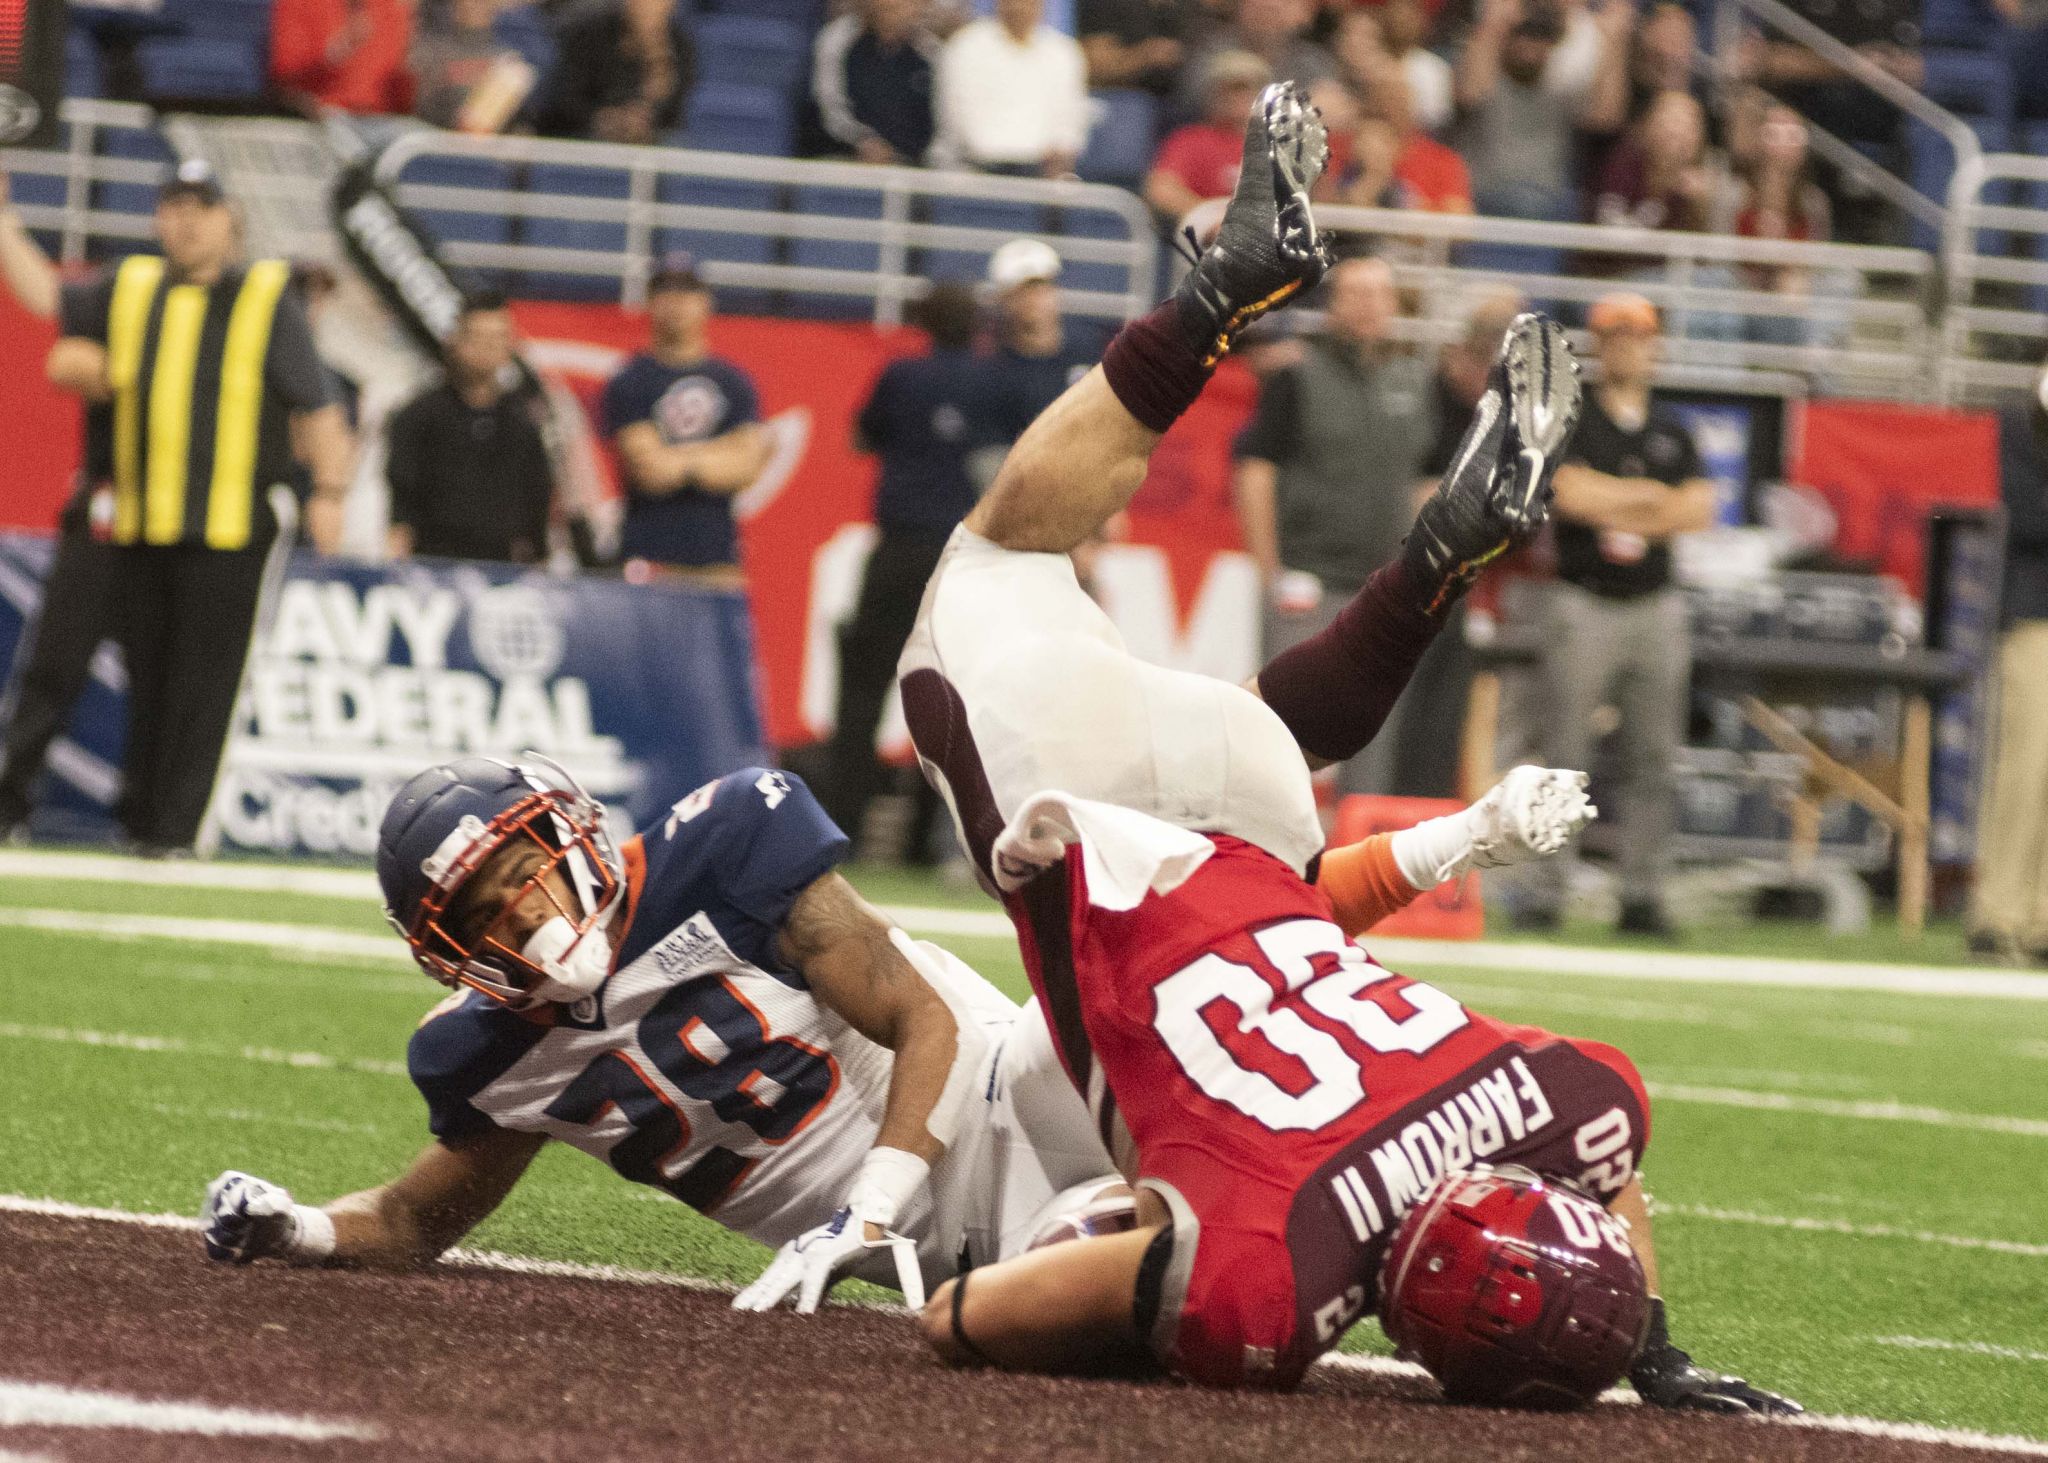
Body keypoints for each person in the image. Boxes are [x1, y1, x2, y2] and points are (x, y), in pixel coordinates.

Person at [887, 82, 1789, 1414]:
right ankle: (1273, 356)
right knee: (1006, 556)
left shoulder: (1555, 1093)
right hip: (1091, 851)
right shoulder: (1261, 1291)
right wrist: (1128, 1268)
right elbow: (959, 1321)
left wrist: (1654, 1350)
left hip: (1258, 831)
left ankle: (1403, 535)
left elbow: (1605, 1147)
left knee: (1017, 553)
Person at [197, 757, 1127, 1306]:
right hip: (967, 1250)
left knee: (1124, 1001)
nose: (527, 913)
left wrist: (868, 1207)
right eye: (486, 913)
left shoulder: (718, 849)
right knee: (1127, 1290)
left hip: (1016, 1092)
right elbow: (409, 1220)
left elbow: (928, 1015)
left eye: (529, 872)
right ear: (449, 952)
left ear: (569, 835)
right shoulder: (483, 1054)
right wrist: (303, 1228)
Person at [44, 160, 355, 856]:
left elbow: (320, 406)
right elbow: (51, 313)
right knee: (148, 678)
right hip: (145, 522)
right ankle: (140, 823)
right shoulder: (132, 287)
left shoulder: (266, 297)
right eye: (173, 205)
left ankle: (178, 831)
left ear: (230, 219)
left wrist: (330, 495)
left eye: (201, 206)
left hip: (230, 526)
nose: (185, 220)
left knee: (204, 686)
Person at [1520, 293, 1713, 938]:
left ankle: (1642, 892)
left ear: (1655, 344)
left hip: (1654, 606)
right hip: (1584, 600)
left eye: (1639, 334)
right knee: (1563, 749)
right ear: (1599, 343)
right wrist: (1649, 499)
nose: (1629, 345)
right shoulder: (1574, 417)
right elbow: (1567, 495)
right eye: (1617, 334)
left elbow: (1698, 512)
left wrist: (1620, 504)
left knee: (1653, 754)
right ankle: (1545, 889)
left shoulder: (1674, 427)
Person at [1232, 255, 1439, 797]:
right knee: (1280, 730)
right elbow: (1255, 473)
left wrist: (1419, 575)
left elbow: (1423, 484)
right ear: (1333, 303)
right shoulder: (1296, 374)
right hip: (1308, 579)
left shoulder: (1415, 380)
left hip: (1382, 589)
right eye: (1357, 293)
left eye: (1380, 293)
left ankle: (1354, 865)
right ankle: (1266, 853)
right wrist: (1270, 572)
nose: (1369, 305)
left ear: (1395, 304)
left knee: (1375, 737)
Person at [822, 283, 986, 851]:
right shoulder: (992, 382)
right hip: (961, 560)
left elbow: (859, 438)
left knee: (864, 689)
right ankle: (927, 841)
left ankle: (840, 829)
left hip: (897, 548)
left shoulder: (900, 376)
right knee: (953, 699)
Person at [0, 168, 118, 844]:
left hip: (185, 526)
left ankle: (157, 821)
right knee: (54, 665)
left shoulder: (235, 315)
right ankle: (10, 802)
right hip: (104, 511)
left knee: (170, 683)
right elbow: (48, 298)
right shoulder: (128, 297)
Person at [600, 254, 770, 588]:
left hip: (717, 560)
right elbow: (649, 470)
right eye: (666, 292)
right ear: (650, 301)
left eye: (687, 292)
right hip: (648, 557)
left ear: (706, 302)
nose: (676, 303)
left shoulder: (734, 382)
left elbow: (747, 466)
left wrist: (679, 460)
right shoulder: (632, 380)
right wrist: (718, 454)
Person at [385, 292, 558, 565]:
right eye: (480, 337)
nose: (489, 348)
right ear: (457, 341)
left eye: (499, 338)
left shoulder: (523, 421)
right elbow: (400, 501)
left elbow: (537, 498)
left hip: (503, 571)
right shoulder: (419, 416)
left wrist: (538, 557)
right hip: (433, 566)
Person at [1967, 387, 2048, 965]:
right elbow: (2025, 514)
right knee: (2024, 765)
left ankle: (2042, 918)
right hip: (2036, 615)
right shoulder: (2021, 421)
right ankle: (1997, 913)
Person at [1452, 0, 1629, 221]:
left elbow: (1605, 116)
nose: (1530, 45)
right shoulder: (1489, 81)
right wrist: (1492, 24)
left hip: (1545, 205)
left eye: (1541, 38)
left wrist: (1613, 42)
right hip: (1483, 201)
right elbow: (1469, 93)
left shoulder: (1561, 89)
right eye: (1523, 35)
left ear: (1552, 46)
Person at [930, 0, 1091, 176]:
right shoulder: (965, 46)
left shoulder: (1062, 51)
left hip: (1042, 171)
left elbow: (1071, 118)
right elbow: (960, 121)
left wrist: (1059, 152)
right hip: (974, 169)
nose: (1019, 7)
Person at [979, 239, 1100, 451]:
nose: (1033, 300)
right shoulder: (992, 370)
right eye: (1021, 292)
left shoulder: (1088, 350)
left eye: (1042, 288)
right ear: (1003, 300)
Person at [534, 0, 695, 145]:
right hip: (583, 133)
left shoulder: (680, 46)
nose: (648, 7)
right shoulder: (589, 34)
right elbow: (566, 96)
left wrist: (657, 55)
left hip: (649, 139)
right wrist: (601, 119)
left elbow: (674, 107)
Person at [1144, 50, 1272, 224]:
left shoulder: (1282, 145)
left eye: (1243, 88)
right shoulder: (1189, 140)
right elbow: (1162, 191)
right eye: (1226, 89)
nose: (1235, 97)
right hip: (1205, 242)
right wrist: (1212, 220)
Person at [810, 0, 940, 166]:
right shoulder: (839, 40)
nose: (896, 8)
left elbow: (942, 123)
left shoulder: (932, 53)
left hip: (914, 166)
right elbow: (829, 108)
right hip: (847, 158)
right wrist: (862, 141)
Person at [269, 0, 416, 116]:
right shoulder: (300, 4)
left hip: (383, 120)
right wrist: (335, 53)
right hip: (326, 115)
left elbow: (400, 92)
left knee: (423, 146)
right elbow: (285, 72)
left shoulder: (390, 8)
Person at [1076, 0, 1201, 95]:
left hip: (1191, 97)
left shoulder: (1190, 8)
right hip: (1124, 95)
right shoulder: (1106, 5)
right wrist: (1145, 55)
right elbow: (1093, 68)